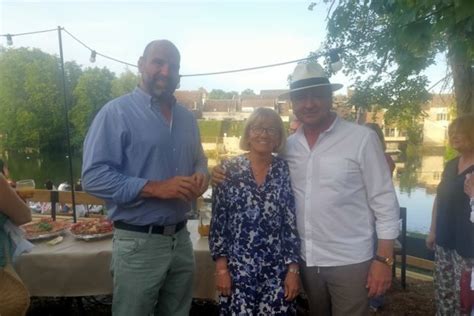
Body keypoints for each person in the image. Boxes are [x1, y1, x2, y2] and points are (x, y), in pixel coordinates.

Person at [212, 61, 399, 316]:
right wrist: (217, 174)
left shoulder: (361, 140)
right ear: (293, 103)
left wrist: (383, 260)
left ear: (330, 97)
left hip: (350, 260)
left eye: (317, 96)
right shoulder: (289, 147)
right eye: (301, 97)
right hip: (307, 261)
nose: (309, 104)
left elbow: (385, 201)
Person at [82, 40, 209, 316]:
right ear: (141, 65)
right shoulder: (115, 113)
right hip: (138, 242)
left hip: (181, 238)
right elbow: (93, 177)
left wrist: (201, 175)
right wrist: (154, 188)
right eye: (158, 62)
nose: (166, 71)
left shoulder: (187, 118)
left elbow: (199, 158)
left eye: (173, 66)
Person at [210, 108, 301, 315]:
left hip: (276, 272)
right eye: (257, 128)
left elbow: (290, 224)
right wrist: (221, 269)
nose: (264, 134)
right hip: (238, 271)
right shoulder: (228, 169)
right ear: (248, 133)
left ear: (279, 137)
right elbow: (218, 225)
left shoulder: (284, 170)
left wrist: (293, 270)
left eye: (271, 129)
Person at [426, 115, 474, 315]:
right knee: (443, 291)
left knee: (463, 294)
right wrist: (432, 230)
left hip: (468, 245)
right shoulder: (451, 165)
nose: (454, 136)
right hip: (444, 239)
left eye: (460, 131)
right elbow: (440, 198)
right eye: (451, 132)